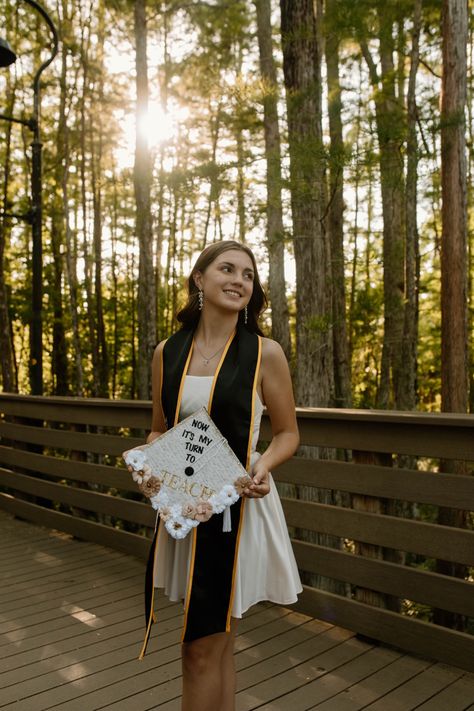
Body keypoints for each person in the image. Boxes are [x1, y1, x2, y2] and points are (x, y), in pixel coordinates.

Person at [146, 240, 302, 711]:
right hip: (187, 502)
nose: (239, 280)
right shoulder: (167, 352)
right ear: (200, 278)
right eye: (227, 269)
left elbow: (288, 433)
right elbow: (159, 429)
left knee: (200, 648)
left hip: (238, 510)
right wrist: (151, 462)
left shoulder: (264, 353)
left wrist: (263, 466)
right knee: (218, 644)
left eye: (248, 275)